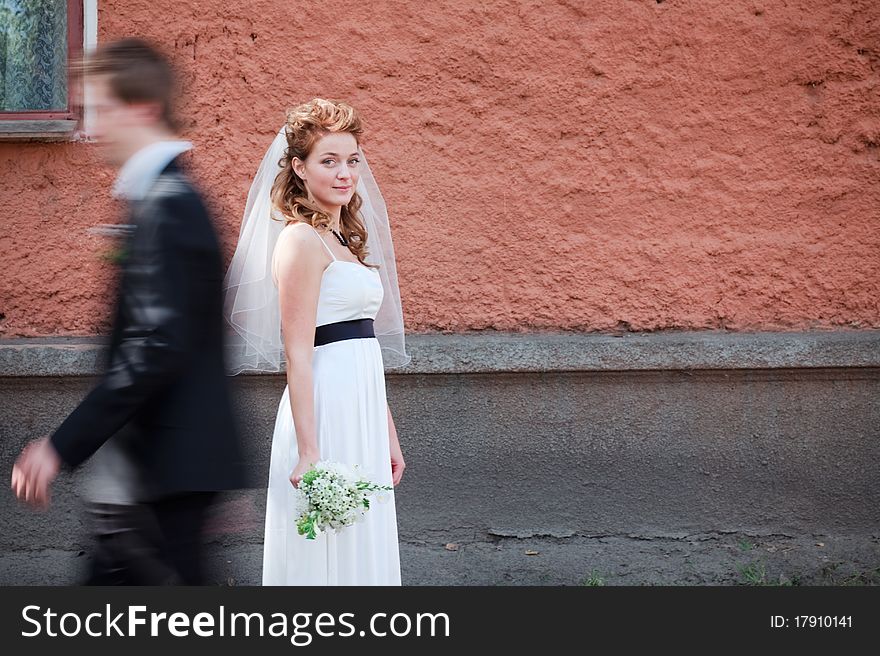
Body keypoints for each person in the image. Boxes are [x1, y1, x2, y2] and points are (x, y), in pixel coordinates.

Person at [10, 38, 247, 584]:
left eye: (100, 109)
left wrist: (59, 447)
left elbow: (157, 346)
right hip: (156, 471)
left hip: (168, 472)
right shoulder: (159, 198)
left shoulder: (171, 204)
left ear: (143, 109)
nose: (89, 128)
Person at [223, 98, 410, 585]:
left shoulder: (345, 242)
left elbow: (363, 344)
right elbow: (299, 354)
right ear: (299, 168)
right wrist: (309, 450)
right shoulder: (300, 241)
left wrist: (386, 432)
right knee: (324, 545)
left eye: (352, 160)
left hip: (361, 407)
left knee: (360, 535)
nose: (345, 173)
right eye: (329, 161)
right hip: (323, 410)